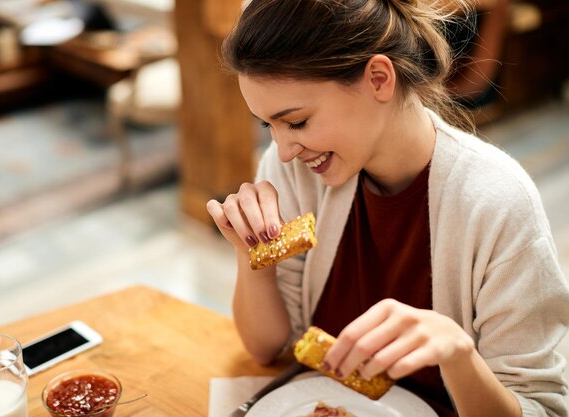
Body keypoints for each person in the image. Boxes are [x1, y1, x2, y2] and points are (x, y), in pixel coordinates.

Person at [206, 0, 569, 416]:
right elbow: (267, 348)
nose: (284, 150)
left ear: (379, 79)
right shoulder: (297, 169)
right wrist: (251, 253)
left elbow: (541, 407)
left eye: (298, 121)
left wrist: (458, 355)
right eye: (268, 125)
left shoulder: (497, 202)